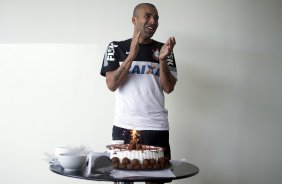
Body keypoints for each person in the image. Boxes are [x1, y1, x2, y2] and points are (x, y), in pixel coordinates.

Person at [100, 3, 177, 184]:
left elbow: (169, 88)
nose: (153, 21)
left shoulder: (164, 49)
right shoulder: (116, 47)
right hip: (124, 125)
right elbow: (111, 84)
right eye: (148, 16)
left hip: (156, 127)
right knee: (122, 180)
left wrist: (163, 60)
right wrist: (131, 55)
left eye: (156, 18)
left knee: (156, 180)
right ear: (134, 20)